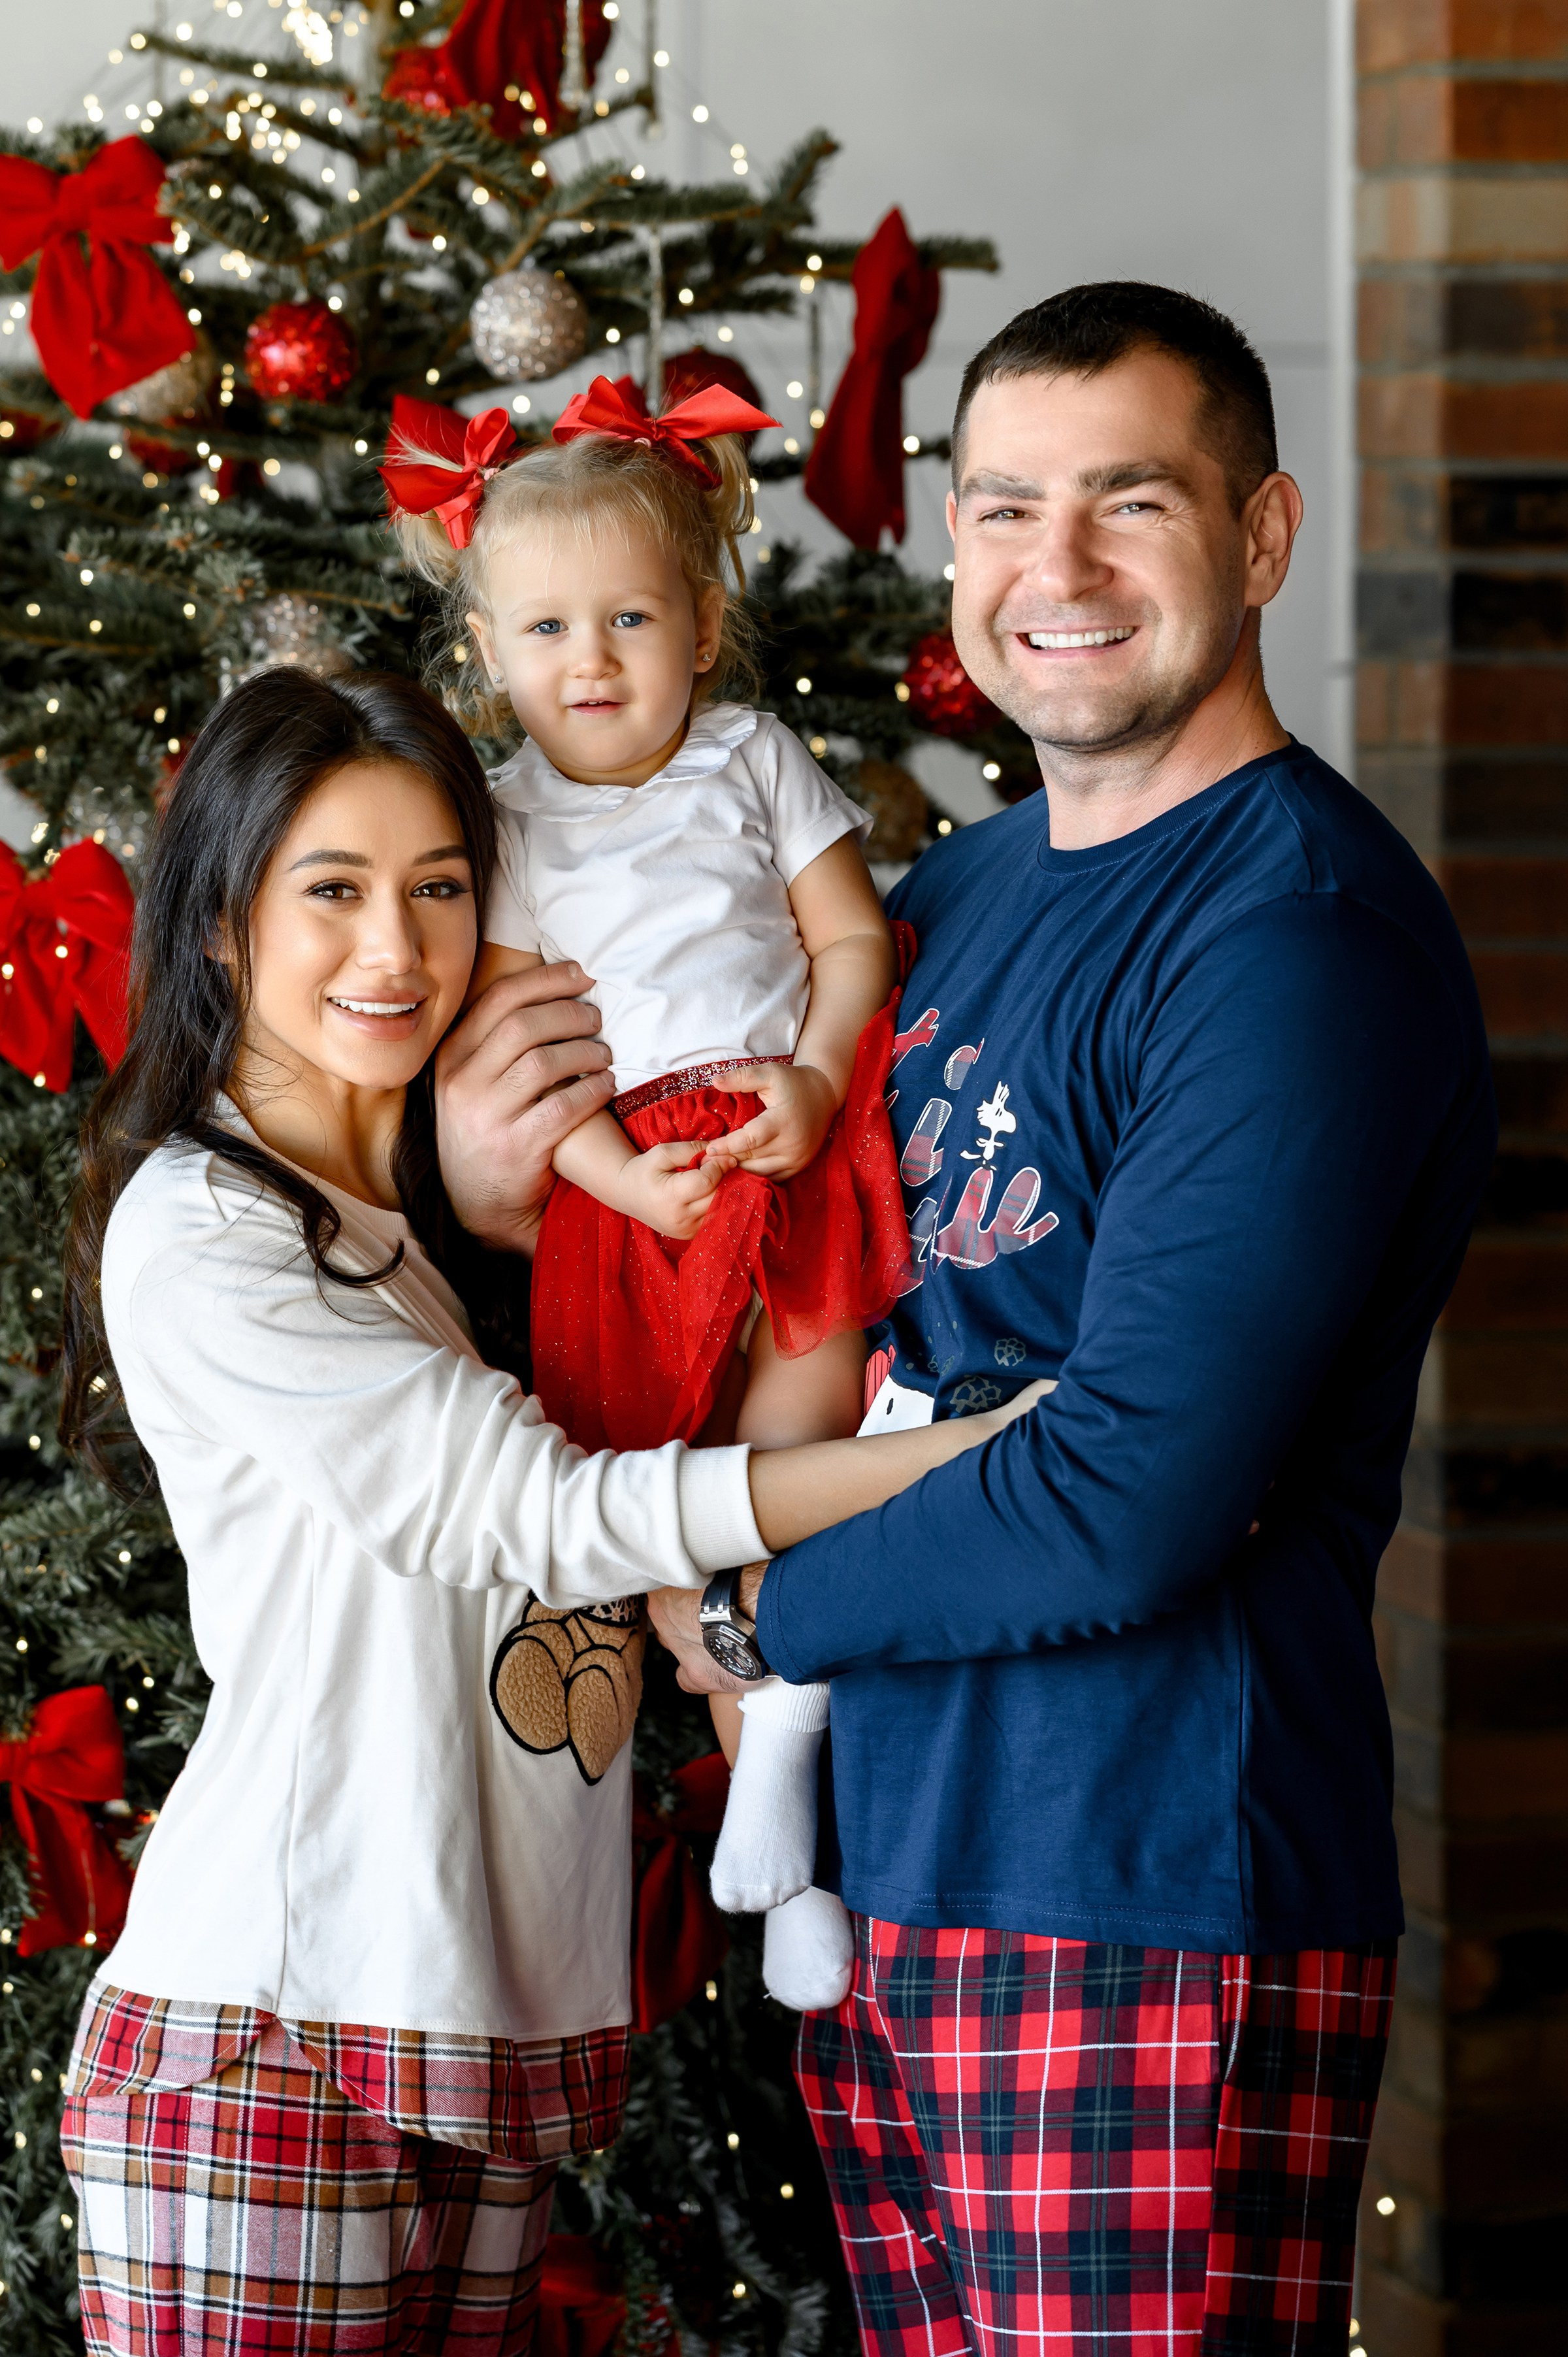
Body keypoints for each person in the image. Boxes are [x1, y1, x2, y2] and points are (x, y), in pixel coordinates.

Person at [636, 284, 1497, 2356]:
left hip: (1148, 1887)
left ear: (1265, 536)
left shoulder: (1293, 936)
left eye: (1132, 502)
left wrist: (751, 1612)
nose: (1060, 569)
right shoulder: (938, 905)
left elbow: (1131, 1492)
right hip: (894, 1882)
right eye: (1006, 507)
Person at [54, 667, 1039, 2357]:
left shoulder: (423, 1247)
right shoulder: (207, 1229)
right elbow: (539, 1514)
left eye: (441, 887)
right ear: (219, 922)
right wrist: (964, 1455)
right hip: (277, 2028)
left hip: (480, 2037)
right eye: (333, 891)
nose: (397, 950)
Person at [387, 375, 916, 2008]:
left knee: (800, 1441)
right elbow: (511, 1040)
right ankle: (758, 1784)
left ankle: (790, 1782)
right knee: (653, 1492)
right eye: (545, 629)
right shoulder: (506, 826)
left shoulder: (753, 760)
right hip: (630, 1191)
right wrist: (616, 1171)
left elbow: (850, 942)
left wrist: (819, 1081)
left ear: (703, 621)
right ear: (486, 650)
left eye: (629, 617)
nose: (591, 661)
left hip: (785, 1139)